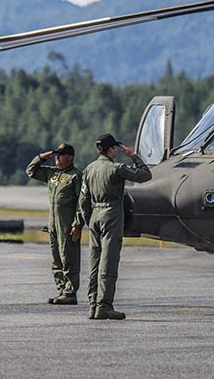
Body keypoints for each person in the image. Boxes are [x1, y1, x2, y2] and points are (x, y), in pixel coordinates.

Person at [79, 133, 152, 320]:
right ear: (111, 149)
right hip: (111, 214)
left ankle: (93, 305)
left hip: (95, 214)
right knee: (108, 261)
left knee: (94, 262)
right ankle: (104, 305)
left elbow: (83, 200)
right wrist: (133, 156)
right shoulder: (116, 168)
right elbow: (145, 175)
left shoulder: (89, 169)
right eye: (115, 149)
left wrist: (89, 221)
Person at [26, 143, 83, 305]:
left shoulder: (75, 176)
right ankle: (61, 289)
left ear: (70, 158)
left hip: (67, 225)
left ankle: (70, 292)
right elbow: (31, 171)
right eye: (56, 155)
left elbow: (82, 202)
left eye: (61, 155)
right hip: (53, 225)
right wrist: (41, 157)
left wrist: (78, 224)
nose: (57, 158)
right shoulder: (52, 174)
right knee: (56, 259)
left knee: (69, 258)